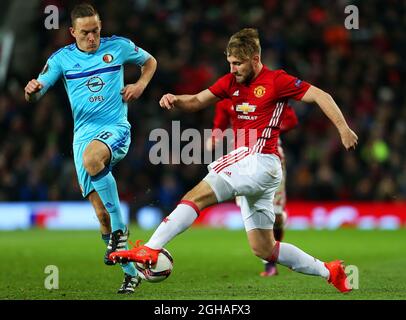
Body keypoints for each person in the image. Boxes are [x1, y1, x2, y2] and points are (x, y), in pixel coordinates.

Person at [110, 28, 358, 293]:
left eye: (238, 63)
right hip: (260, 171)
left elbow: (322, 95)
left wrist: (343, 128)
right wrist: (175, 100)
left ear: (255, 58)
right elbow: (196, 100)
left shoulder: (277, 80)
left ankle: (151, 248)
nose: (233, 69)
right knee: (264, 248)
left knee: (196, 196)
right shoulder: (230, 82)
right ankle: (329, 271)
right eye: (230, 63)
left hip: (258, 159)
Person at [24, 3, 157, 294]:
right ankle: (129, 272)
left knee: (92, 158)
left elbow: (150, 62)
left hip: (116, 129)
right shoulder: (61, 59)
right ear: (72, 32)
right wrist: (31, 91)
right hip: (82, 136)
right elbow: (37, 92)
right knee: (100, 214)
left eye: (96, 30)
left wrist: (140, 85)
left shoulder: (119, 47)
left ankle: (121, 234)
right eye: (85, 33)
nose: (92, 37)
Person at [206, 100, 298, 277]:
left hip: (272, 158)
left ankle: (274, 249)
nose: (236, 71)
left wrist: (271, 130)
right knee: (256, 213)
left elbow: (291, 120)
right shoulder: (226, 99)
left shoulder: (269, 91)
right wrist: (214, 138)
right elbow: (219, 125)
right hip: (243, 159)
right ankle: (270, 263)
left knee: (277, 217)